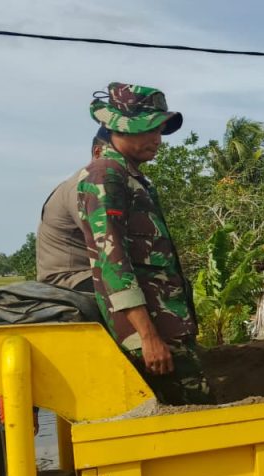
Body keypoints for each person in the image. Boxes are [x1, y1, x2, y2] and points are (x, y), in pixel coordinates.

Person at [77, 82, 213, 405]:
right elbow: (113, 264)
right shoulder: (105, 175)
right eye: (148, 129)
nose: (157, 139)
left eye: (160, 130)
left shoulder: (131, 176)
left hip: (166, 328)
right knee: (197, 423)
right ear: (116, 128)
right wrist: (148, 337)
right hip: (151, 335)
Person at [36, 127, 111, 292]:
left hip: (89, 274)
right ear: (97, 152)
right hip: (70, 279)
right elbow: (109, 242)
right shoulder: (86, 185)